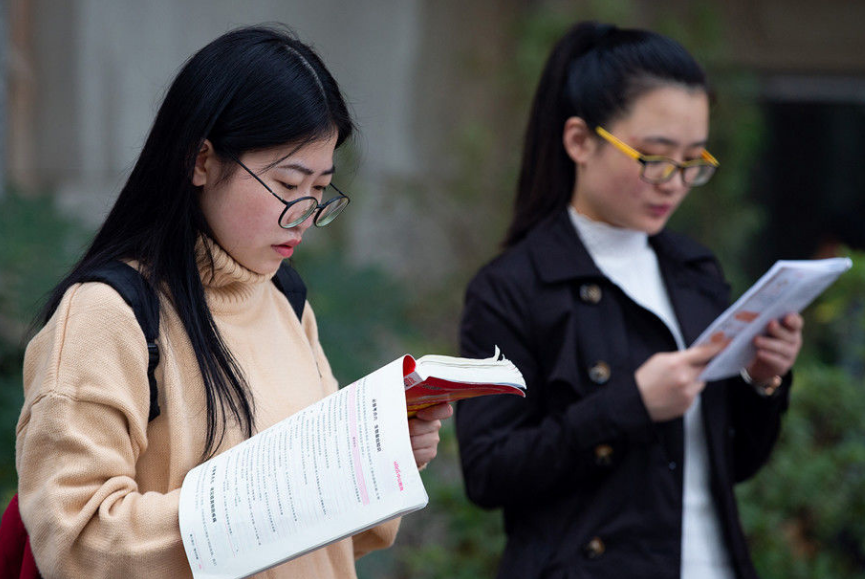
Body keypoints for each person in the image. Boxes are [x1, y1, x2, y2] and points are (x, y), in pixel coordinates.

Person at [15, 25, 451, 579]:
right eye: (288, 184)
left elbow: (323, 544)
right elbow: (77, 542)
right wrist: (275, 496)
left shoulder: (286, 300)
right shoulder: (107, 315)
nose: (304, 216)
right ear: (201, 161)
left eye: (319, 190)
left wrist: (382, 454)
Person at [455, 21, 803, 579]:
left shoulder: (693, 273)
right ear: (579, 141)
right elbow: (489, 471)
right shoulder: (514, 286)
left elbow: (733, 464)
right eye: (655, 156)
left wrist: (762, 380)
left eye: (694, 161)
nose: (674, 181)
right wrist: (629, 405)